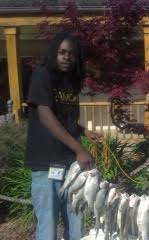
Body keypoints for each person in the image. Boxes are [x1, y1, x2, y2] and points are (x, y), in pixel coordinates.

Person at [25, 32, 102, 240]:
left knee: (75, 225)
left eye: (72, 54)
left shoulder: (70, 83)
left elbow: (64, 118)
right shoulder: (42, 75)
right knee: (48, 228)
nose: (67, 57)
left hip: (69, 166)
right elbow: (46, 116)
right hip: (45, 164)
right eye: (62, 52)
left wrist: (84, 131)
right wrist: (79, 149)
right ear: (53, 53)